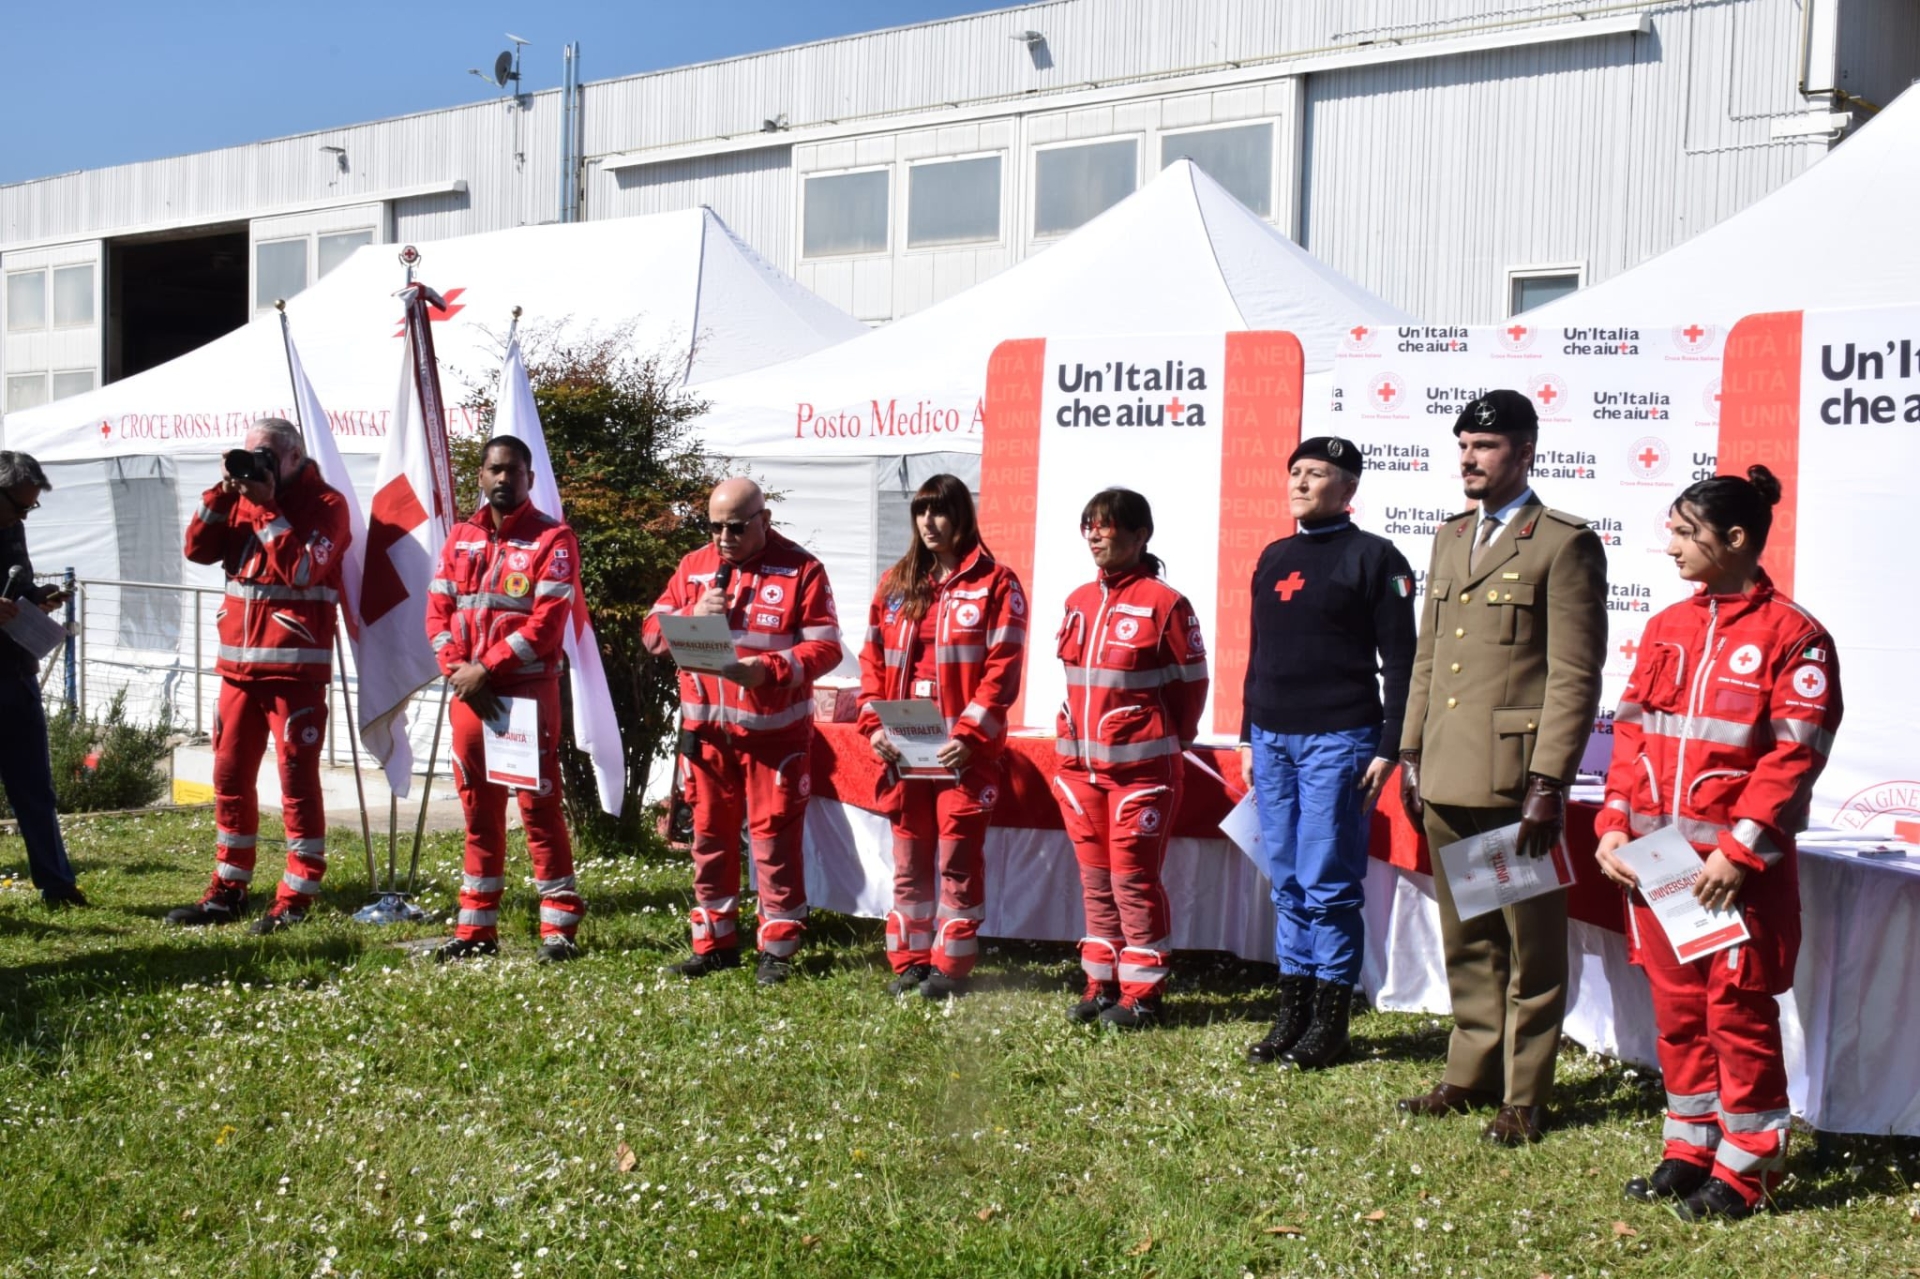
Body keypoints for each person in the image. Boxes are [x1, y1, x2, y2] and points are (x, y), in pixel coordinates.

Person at [1595, 467, 1840, 1221]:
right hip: (1661, 865)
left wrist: (1740, 851)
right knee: (1678, 1012)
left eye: (1683, 531)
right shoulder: (1668, 625)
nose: (1670, 546)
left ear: (1734, 539)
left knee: (1736, 1014)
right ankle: (1691, 1149)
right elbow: (1632, 731)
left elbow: (1793, 756)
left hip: (1734, 874)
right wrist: (1613, 819)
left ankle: (1747, 1168)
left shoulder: (1796, 636)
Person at [1396, 389, 1608, 1145]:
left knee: (1529, 945)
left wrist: (1549, 780)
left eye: (1484, 446)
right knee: (1469, 935)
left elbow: (1574, 675)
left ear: (1524, 452)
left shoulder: (1561, 542)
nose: (1468, 458)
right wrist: (1411, 750)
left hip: (1514, 779)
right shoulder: (1451, 536)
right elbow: (1428, 656)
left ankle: (1525, 1092)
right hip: (1448, 768)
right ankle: (1471, 1068)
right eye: (1462, 445)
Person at [1237, 437, 1416, 1070]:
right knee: (1286, 879)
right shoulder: (1274, 556)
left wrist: (1390, 745)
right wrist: (1247, 733)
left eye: (1317, 474)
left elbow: (1403, 661)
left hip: (1339, 739)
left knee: (1327, 881)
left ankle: (1332, 1021)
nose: (1301, 483)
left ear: (1348, 488)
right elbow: (1259, 653)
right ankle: (1294, 1012)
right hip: (1272, 738)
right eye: (1295, 472)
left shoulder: (1376, 558)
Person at [644, 478, 843, 985]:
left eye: (735, 527)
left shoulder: (801, 570)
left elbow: (827, 649)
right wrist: (690, 614)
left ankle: (778, 949)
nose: (723, 538)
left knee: (773, 844)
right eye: (714, 527)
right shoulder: (693, 567)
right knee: (708, 840)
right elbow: (651, 635)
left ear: (764, 520)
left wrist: (769, 670)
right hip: (707, 737)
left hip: (774, 740)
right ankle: (714, 944)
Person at [173, 418, 351, 932]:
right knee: (229, 779)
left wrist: (268, 507)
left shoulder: (328, 505)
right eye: (250, 454)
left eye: (266, 456)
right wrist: (221, 492)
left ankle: (296, 895)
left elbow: (302, 570)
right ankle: (227, 890)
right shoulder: (239, 498)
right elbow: (196, 549)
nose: (256, 464)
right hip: (237, 672)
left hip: (294, 674)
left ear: (294, 456)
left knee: (296, 783)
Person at [857, 474, 1027, 1000]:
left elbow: (1003, 668)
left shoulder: (997, 583)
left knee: (957, 860)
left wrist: (971, 734)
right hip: (904, 746)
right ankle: (909, 961)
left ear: (961, 517)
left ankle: (950, 967)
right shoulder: (896, 582)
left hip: (961, 751)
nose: (928, 522)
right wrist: (874, 725)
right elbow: (871, 661)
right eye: (920, 511)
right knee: (909, 861)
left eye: (939, 511)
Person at [424, 435, 586, 963]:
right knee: (479, 812)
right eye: (494, 469)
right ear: (480, 475)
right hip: (469, 695)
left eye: (513, 471)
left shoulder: (553, 538)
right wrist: (457, 669)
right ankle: (476, 931)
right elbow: (438, 611)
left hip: (524, 695)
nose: (502, 479)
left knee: (538, 810)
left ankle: (558, 929)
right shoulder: (460, 536)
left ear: (529, 479)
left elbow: (547, 624)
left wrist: (486, 668)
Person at [1052, 488, 1209, 1029]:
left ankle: (1144, 993)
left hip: (1143, 774)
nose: (1095, 534)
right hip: (1081, 773)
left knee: (1134, 882)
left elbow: (1191, 689)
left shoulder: (1167, 603)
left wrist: (1161, 739)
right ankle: (1101, 983)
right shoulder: (1078, 599)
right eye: (1089, 525)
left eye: (1107, 525)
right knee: (1096, 883)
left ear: (1140, 535)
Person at [0, 451, 85, 909]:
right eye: (18, 506)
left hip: (16, 673)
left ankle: (58, 886)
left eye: (30, 507)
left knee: (35, 787)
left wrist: (39, 598)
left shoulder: (13, 527)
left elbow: (19, 585)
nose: (23, 517)